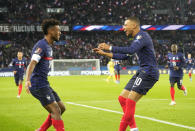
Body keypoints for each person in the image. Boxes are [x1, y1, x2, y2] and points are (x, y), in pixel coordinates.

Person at [93, 16, 159, 131]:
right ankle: (133, 128)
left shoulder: (142, 36)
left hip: (149, 72)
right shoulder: (137, 40)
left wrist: (110, 47)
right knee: (122, 98)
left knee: (129, 101)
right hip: (142, 71)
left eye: (125, 25)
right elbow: (124, 56)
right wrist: (104, 53)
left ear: (134, 25)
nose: (123, 28)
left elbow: (130, 50)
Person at [25, 19, 66, 131]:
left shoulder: (49, 46)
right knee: (55, 110)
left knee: (61, 108)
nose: (60, 33)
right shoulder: (41, 45)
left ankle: (41, 130)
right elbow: (32, 62)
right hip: (38, 84)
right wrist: (27, 80)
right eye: (58, 30)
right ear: (51, 31)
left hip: (44, 83)